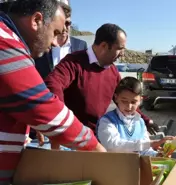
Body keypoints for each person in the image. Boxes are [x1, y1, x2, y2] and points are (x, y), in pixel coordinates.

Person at [0, 0, 106, 183]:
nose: (56, 43)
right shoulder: (4, 43)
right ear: (36, 20)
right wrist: (96, 148)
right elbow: (42, 106)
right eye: (55, 32)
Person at [44, 24, 157, 143]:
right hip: (72, 138)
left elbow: (126, 98)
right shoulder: (74, 62)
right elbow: (53, 84)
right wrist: (61, 121)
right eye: (119, 48)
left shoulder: (112, 71)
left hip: (96, 136)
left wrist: (146, 121)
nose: (122, 53)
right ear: (104, 46)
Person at [97, 77, 172, 156]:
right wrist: (149, 144)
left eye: (133, 102)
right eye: (124, 101)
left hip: (135, 167)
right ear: (116, 98)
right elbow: (113, 146)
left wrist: (157, 155)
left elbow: (144, 151)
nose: (129, 106)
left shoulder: (139, 122)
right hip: (115, 167)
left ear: (140, 100)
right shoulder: (107, 121)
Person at [35, 0, 88, 79]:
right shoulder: (41, 44)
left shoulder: (81, 45)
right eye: (61, 23)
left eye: (67, 23)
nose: (63, 28)